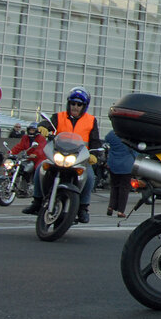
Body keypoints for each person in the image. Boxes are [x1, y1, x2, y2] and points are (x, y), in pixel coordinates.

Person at [48, 88, 102, 223]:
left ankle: (83, 208)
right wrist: (43, 127)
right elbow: (48, 125)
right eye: (73, 103)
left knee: (89, 177)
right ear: (68, 104)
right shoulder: (58, 116)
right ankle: (36, 201)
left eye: (79, 105)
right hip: (58, 154)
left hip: (80, 158)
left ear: (84, 106)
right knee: (40, 169)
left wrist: (94, 153)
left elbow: (95, 140)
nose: (75, 107)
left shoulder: (91, 120)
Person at [20, 121, 54, 214]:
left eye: (33, 130)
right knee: (19, 166)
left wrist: (35, 154)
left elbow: (41, 148)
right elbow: (20, 146)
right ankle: (36, 201)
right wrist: (11, 152)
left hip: (39, 158)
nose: (31, 131)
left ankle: (83, 208)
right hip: (29, 157)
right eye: (30, 130)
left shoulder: (41, 138)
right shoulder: (25, 137)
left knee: (38, 169)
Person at [103, 129, 136, 217]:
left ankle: (110, 207)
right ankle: (120, 211)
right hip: (127, 164)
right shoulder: (131, 134)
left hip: (113, 163)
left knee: (114, 186)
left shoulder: (112, 133)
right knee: (124, 188)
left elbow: (106, 140)